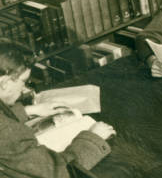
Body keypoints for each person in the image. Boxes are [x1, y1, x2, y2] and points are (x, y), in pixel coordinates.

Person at [0, 38, 115, 177]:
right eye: (23, 81)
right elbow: (58, 172)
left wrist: (28, 110)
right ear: (4, 83)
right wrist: (93, 138)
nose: (24, 89)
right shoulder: (8, 133)